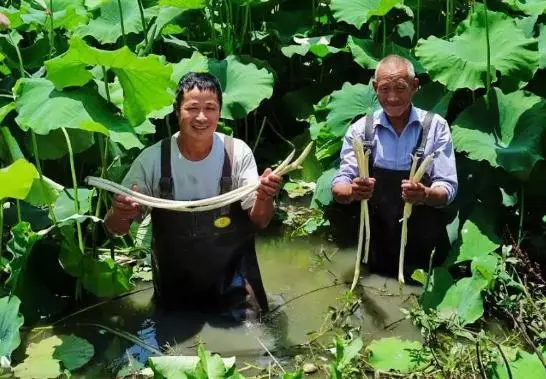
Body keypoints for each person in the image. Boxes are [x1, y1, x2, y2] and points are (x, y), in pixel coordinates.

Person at [105, 72, 282, 321]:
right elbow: (115, 229)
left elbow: (261, 221)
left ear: (220, 112)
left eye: (210, 108)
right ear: (177, 112)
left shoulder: (237, 153)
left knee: (254, 341)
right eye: (192, 108)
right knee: (172, 342)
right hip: (175, 291)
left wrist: (265, 197)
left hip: (236, 287)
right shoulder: (153, 160)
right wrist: (120, 213)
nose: (201, 117)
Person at [330, 55, 458, 276]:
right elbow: (340, 183)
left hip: (424, 248)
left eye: (400, 88)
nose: (392, 97)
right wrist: (352, 190)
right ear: (375, 87)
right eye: (384, 89)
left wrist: (425, 194)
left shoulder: (435, 127)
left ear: (415, 86)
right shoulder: (361, 130)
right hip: (376, 245)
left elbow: (448, 188)